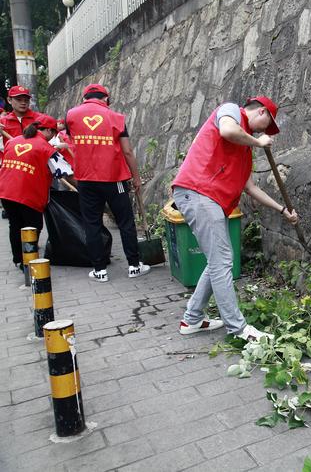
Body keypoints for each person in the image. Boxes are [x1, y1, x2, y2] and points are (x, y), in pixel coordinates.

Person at [172, 96, 298, 341]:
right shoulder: (230, 111)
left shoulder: (245, 149)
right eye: (266, 126)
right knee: (222, 261)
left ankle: (192, 318)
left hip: (207, 198)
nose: (264, 132)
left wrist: (282, 210)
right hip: (199, 192)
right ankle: (238, 329)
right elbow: (228, 130)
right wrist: (259, 142)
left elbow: (250, 187)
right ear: (261, 112)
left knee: (217, 261)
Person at [65, 83, 149, 283]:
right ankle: (134, 266)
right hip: (115, 179)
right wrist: (136, 177)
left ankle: (99, 270)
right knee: (125, 222)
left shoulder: (71, 116)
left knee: (92, 224)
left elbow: (73, 140)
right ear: (106, 99)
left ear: (85, 98)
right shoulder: (116, 118)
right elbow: (127, 151)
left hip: (85, 179)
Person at [0, 115, 73, 269]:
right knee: (33, 227)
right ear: (48, 130)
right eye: (53, 133)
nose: (53, 137)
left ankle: (18, 260)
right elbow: (67, 173)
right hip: (27, 194)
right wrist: (83, 191)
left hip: (5, 192)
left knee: (15, 225)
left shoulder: (13, 141)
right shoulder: (45, 148)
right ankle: (29, 261)